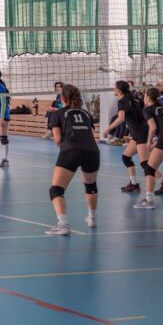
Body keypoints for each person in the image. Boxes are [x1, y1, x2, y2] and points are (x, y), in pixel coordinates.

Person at [45, 84, 100, 235]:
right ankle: (92, 219)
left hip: (71, 150)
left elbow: (57, 139)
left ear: (62, 98)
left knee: (56, 190)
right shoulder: (86, 114)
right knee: (91, 186)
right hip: (92, 151)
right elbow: (89, 133)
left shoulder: (57, 114)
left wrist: (65, 150)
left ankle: (63, 225)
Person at [102, 80, 151, 193]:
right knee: (126, 157)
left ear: (119, 90)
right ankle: (133, 184)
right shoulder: (135, 99)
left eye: (114, 88)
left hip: (140, 133)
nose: (113, 89)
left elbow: (121, 118)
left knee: (146, 163)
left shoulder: (122, 101)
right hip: (139, 132)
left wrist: (108, 129)